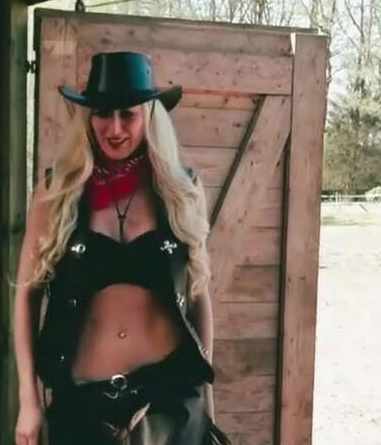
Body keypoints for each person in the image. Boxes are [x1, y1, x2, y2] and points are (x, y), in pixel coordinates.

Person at [13, 52, 230, 445]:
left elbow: (198, 295)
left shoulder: (181, 190)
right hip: (83, 407)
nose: (114, 128)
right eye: (102, 113)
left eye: (127, 114)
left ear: (148, 116)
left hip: (170, 404)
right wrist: (28, 400)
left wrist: (207, 402)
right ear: (88, 117)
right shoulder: (57, 192)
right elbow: (26, 297)